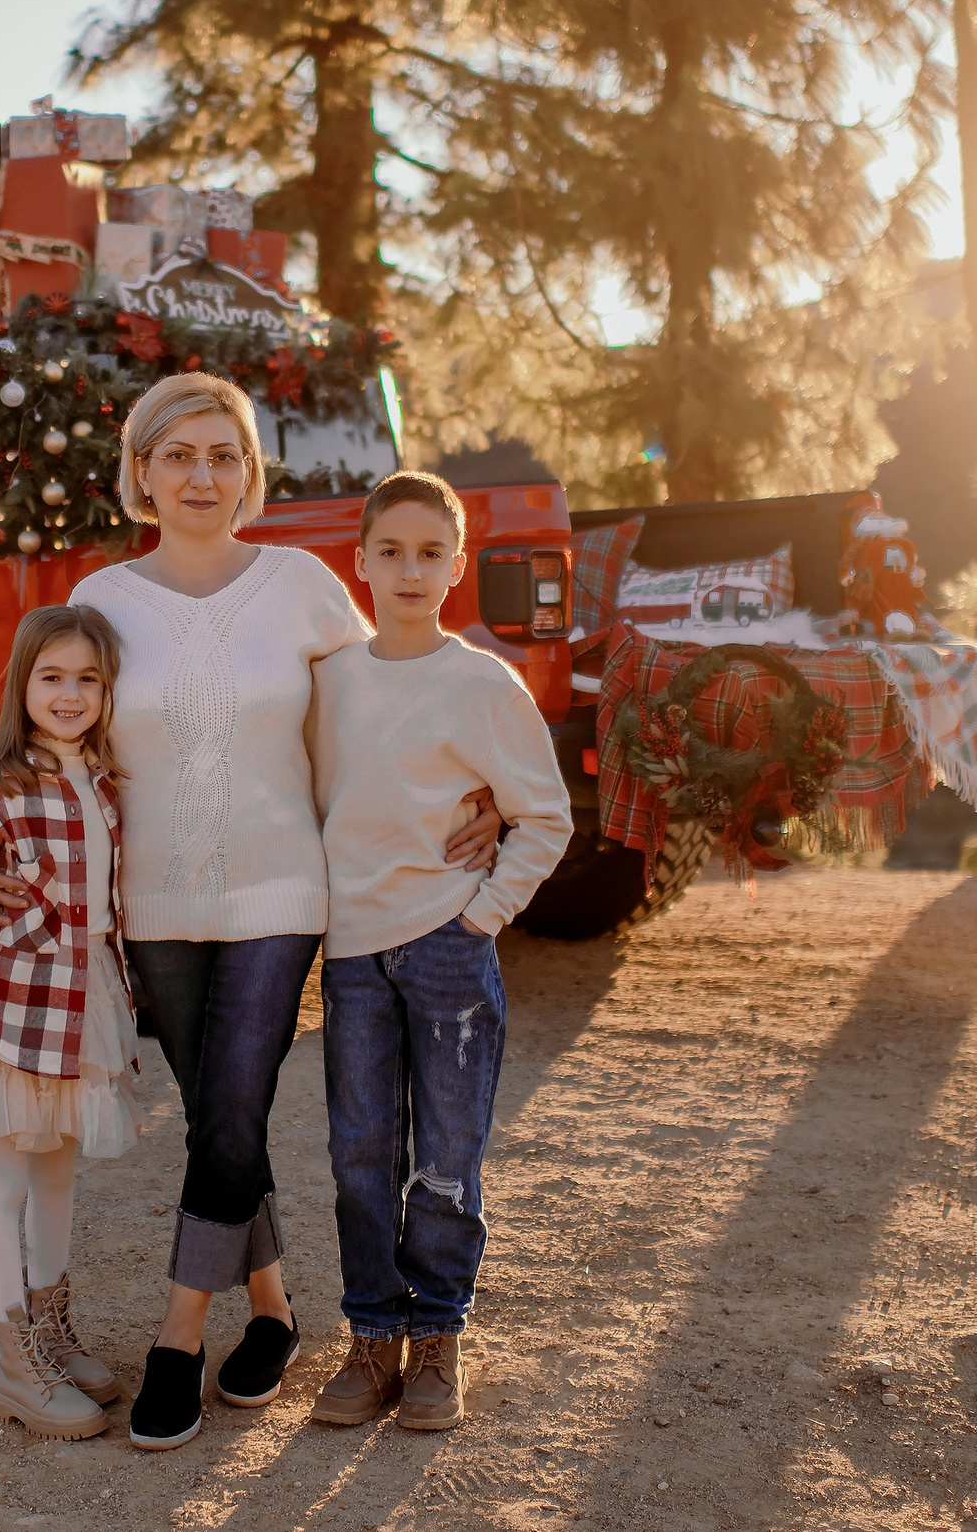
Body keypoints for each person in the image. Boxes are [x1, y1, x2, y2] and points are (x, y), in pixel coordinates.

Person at [0, 372, 501, 1451]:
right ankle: (273, 1310)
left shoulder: (302, 583)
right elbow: (49, 738)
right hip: (151, 900)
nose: (201, 476)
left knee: (230, 1108)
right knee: (217, 1115)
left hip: (280, 888)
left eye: (223, 455)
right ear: (141, 472)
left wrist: (485, 787)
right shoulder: (103, 600)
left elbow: (392, 696)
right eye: (177, 454)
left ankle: (178, 1338)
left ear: (250, 473)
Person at [305, 471, 571, 1432]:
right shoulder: (331, 681)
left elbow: (546, 814)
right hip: (352, 954)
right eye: (391, 552)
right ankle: (373, 1331)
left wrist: (482, 915)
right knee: (359, 1153)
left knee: (449, 1154)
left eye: (430, 553)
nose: (410, 570)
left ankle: (438, 1334)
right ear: (361, 563)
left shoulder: (482, 682)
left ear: (458, 567)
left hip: (448, 950)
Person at [0, 603, 145, 1441]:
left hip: (84, 1003)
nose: (70, 693)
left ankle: (50, 1329)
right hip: (11, 1005)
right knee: (4, 1180)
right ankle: (14, 1361)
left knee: (57, 1176)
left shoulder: (106, 783)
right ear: (22, 683)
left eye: (88, 678)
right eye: (52, 676)